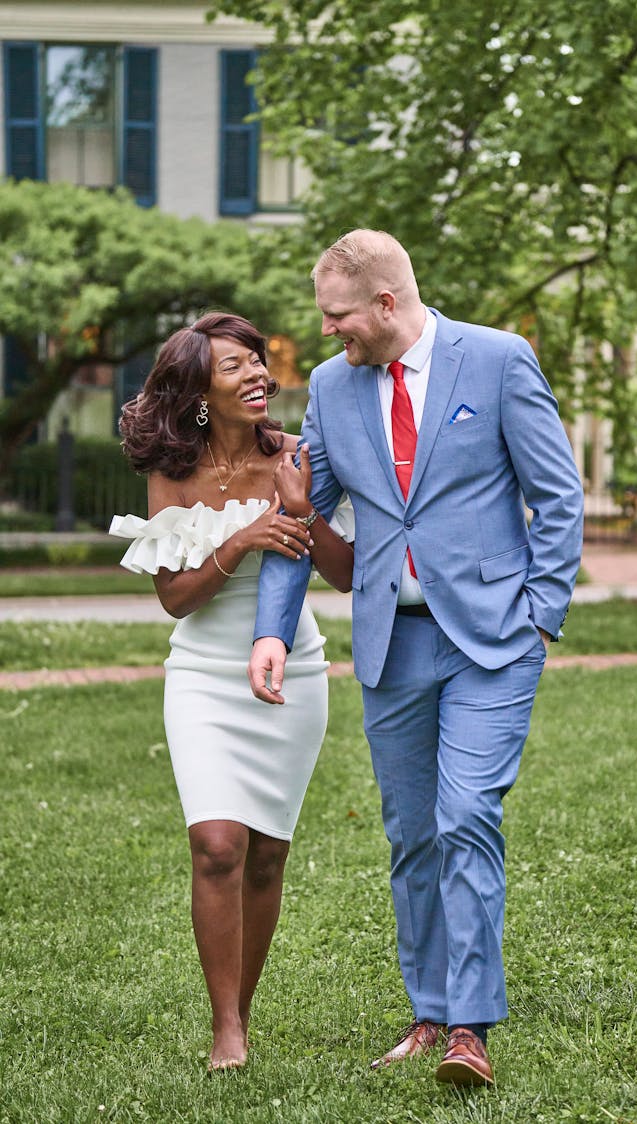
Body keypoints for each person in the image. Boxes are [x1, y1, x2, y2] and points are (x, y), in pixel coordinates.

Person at [249, 231, 584, 1087]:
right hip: (391, 646)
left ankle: (472, 1028)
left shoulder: (501, 361)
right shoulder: (331, 386)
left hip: (491, 641)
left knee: (465, 813)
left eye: (338, 316)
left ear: (387, 304)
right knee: (410, 835)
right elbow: (300, 518)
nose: (328, 333)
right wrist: (273, 632)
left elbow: (557, 494)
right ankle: (430, 1011)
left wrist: (540, 615)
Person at [110, 311, 353, 1072]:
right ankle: (227, 1029)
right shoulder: (173, 470)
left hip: (294, 673)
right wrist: (242, 537)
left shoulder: (301, 454)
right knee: (217, 845)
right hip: (203, 678)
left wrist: (303, 512)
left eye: (257, 359)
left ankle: (242, 1009)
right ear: (200, 391)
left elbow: (345, 576)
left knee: (268, 855)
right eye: (233, 365)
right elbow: (176, 598)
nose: (255, 372)